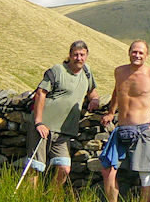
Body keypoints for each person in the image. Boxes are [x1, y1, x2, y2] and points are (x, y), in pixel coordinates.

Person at [99, 40, 150, 202]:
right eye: (134, 51)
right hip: (121, 129)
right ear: (129, 52)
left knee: (145, 174)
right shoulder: (119, 72)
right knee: (107, 169)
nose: (137, 55)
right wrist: (111, 112)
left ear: (146, 56)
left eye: (141, 53)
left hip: (144, 129)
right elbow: (117, 90)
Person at [26, 40, 100, 188]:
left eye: (82, 55)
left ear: (87, 55)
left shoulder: (86, 72)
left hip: (65, 132)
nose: (79, 58)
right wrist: (38, 122)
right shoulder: (57, 70)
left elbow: (92, 91)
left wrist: (95, 100)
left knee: (64, 168)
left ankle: (52, 201)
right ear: (70, 55)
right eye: (75, 55)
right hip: (43, 128)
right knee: (35, 167)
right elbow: (41, 93)